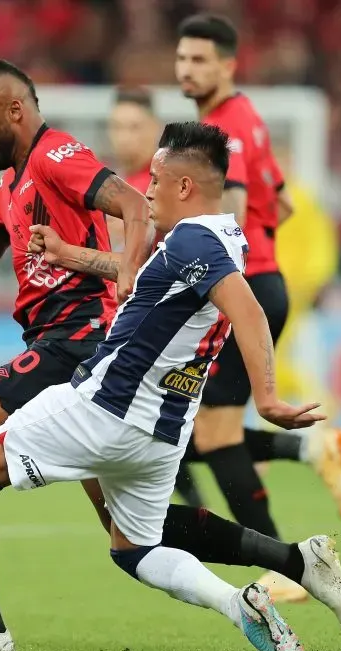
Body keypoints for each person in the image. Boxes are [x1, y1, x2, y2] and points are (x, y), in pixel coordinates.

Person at [0, 60, 341, 651]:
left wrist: (270, 397)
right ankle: (282, 571)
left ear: (13, 110)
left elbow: (147, 223)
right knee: (131, 546)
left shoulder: (61, 157)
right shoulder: (201, 240)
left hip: (81, 360)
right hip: (154, 426)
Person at [173, 13, 341, 600]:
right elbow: (280, 202)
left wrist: (212, 270)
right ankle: (303, 477)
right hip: (263, 282)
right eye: (182, 58)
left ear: (228, 65)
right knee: (205, 433)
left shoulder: (225, 128)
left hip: (242, 286)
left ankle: (287, 565)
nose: (186, 69)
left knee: (212, 434)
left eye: (200, 60)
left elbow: (241, 204)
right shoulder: (247, 120)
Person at [106, 86, 206, 509]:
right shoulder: (111, 186)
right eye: (117, 127)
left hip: (164, 330)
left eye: (135, 126)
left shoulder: (168, 188)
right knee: (161, 430)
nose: (124, 136)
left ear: (154, 131)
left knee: (194, 433)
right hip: (119, 324)